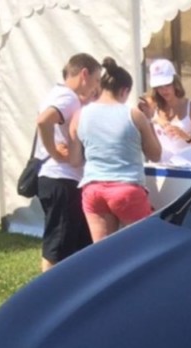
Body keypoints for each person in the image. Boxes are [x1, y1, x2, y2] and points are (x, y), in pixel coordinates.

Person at [68, 58, 161, 243]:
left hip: (93, 188)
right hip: (127, 187)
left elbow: (75, 160)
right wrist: (150, 119)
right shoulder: (134, 115)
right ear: (124, 91)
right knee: (142, 248)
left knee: (101, 252)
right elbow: (155, 154)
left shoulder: (80, 115)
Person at [35, 53, 101, 272]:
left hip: (60, 179)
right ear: (84, 74)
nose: (96, 87)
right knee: (57, 248)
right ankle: (47, 296)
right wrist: (54, 153)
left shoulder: (60, 94)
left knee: (73, 243)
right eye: (96, 79)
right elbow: (44, 121)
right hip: (61, 179)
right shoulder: (68, 97)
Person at [147, 59, 191, 161]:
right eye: (159, 86)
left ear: (175, 83)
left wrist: (187, 137)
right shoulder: (152, 107)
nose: (164, 90)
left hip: (184, 171)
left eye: (167, 84)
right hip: (158, 170)